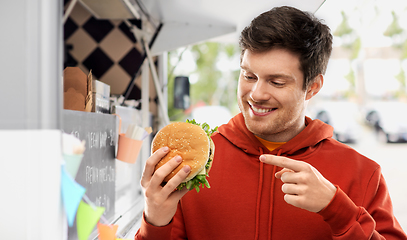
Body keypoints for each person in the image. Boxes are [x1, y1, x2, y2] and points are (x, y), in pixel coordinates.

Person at [135, 6, 407, 240]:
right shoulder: (192, 166)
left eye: (276, 82)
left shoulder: (362, 173)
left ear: (312, 88)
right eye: (249, 76)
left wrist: (337, 210)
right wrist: (154, 220)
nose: (256, 94)